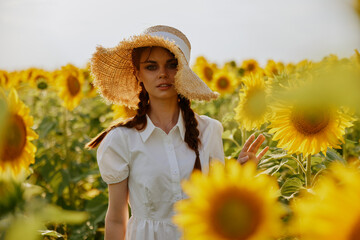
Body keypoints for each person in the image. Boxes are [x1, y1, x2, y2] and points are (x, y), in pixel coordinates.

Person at [86, 25, 268, 240]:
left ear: (183, 72)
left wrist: (240, 174)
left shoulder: (209, 130)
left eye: (172, 65)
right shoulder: (121, 139)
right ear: (138, 73)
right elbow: (117, 218)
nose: (163, 74)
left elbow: (215, 204)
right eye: (151, 67)